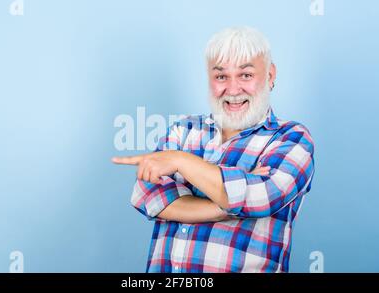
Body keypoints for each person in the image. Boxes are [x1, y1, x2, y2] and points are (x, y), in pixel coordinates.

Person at [113, 26, 315, 273]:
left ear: (270, 76)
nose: (232, 89)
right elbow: (149, 198)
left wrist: (180, 161)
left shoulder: (290, 138)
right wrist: (227, 206)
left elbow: (263, 197)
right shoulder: (183, 130)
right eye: (221, 77)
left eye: (246, 75)